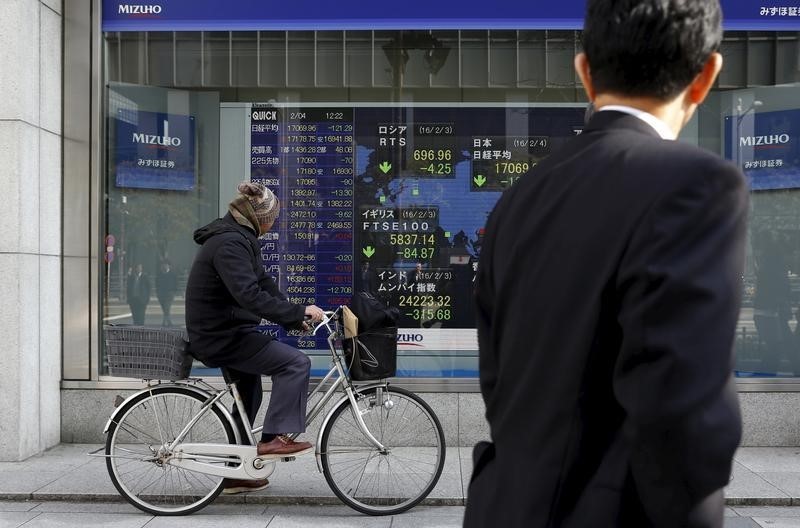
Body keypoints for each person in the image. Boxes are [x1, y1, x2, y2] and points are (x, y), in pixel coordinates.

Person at [465, 1, 748, 527]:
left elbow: (500, 384)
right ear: (706, 74)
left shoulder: (520, 196)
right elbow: (683, 412)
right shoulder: (696, 183)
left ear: (584, 71)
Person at [185, 181, 325, 495]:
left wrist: (295, 315)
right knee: (295, 363)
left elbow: (264, 285)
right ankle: (273, 439)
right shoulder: (230, 244)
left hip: (226, 331)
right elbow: (249, 295)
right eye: (273, 218)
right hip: (222, 335)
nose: (274, 224)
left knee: (249, 397)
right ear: (260, 217)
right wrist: (297, 312)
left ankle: (236, 472)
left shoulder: (241, 239)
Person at [155, 260, 178, 326]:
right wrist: (158, 292)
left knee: (167, 307)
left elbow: (176, 283)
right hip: (161, 294)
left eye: (166, 265)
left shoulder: (173, 274)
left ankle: (166, 322)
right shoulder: (159, 274)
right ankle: (168, 321)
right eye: (163, 265)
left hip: (169, 294)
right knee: (164, 309)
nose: (164, 266)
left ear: (169, 266)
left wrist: (174, 291)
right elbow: (157, 284)